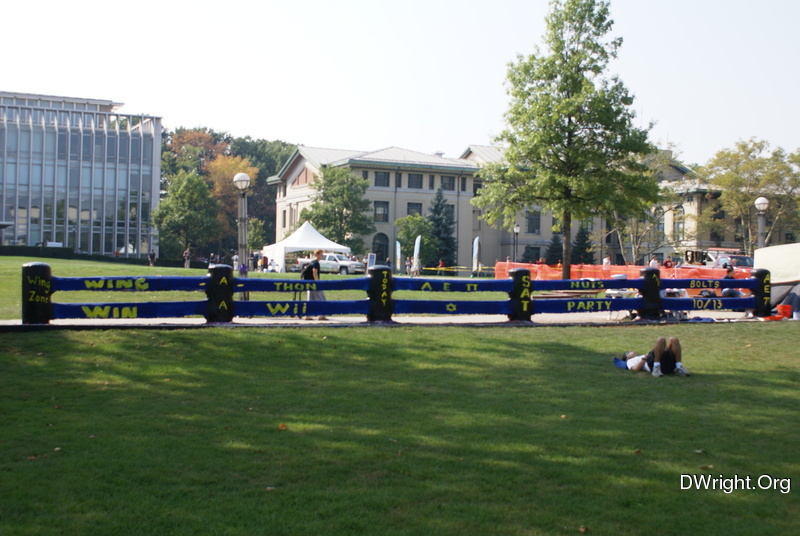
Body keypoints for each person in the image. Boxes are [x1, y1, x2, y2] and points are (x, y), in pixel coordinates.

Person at [615, 336, 690, 377]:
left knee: (673, 339)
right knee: (661, 339)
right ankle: (656, 368)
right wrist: (644, 358)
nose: (632, 351)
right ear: (627, 358)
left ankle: (679, 367)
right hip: (651, 364)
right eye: (628, 352)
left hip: (667, 365)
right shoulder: (630, 361)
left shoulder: (639, 356)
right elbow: (634, 369)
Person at [303, 249, 327, 321]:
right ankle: (321, 315)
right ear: (316, 255)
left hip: (309, 284)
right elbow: (314, 273)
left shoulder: (311, 262)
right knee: (321, 299)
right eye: (321, 255)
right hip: (314, 284)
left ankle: (307, 315)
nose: (322, 256)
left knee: (310, 300)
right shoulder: (316, 263)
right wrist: (317, 283)